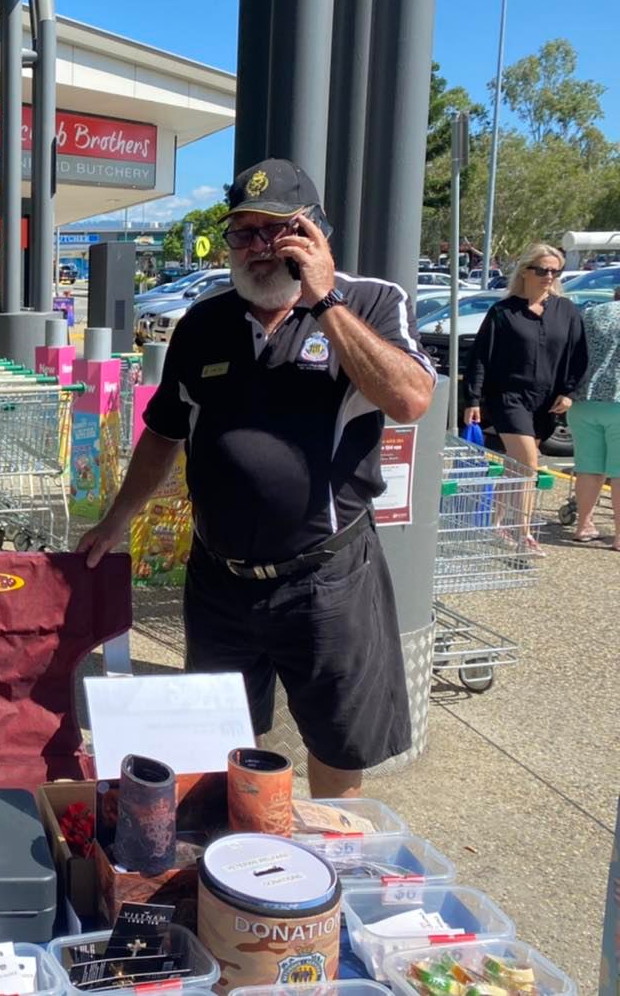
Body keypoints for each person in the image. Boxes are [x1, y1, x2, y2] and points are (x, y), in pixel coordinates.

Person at [78, 158, 435, 799]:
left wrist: (324, 300)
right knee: (216, 743)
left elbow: (409, 398)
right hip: (221, 581)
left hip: (326, 579)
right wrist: (114, 520)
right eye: (243, 233)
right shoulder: (202, 323)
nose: (258, 248)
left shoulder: (372, 302)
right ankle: (234, 862)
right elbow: (164, 433)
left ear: (315, 231)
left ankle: (330, 863)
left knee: (336, 744)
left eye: (277, 231)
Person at [463, 243, 588, 551]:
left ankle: (497, 523)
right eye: (542, 270)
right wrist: (472, 400)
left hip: (546, 400)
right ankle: (523, 532)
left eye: (554, 271)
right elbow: (480, 358)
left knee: (515, 466)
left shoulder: (567, 311)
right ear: (526, 271)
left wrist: (569, 392)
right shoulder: (503, 312)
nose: (549, 276)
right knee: (529, 462)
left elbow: (579, 356)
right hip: (508, 397)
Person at [568, 287, 620, 548]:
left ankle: (584, 525)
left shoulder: (589, 315)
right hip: (618, 401)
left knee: (589, 467)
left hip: (582, 401)